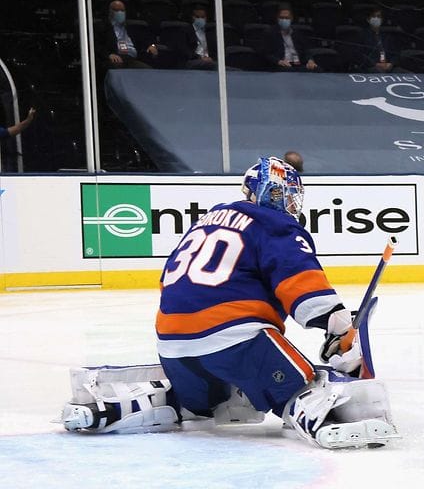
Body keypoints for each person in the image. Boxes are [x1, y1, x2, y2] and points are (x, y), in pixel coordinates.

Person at [61, 157, 399, 449]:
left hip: (172, 343)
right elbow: (300, 281)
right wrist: (336, 323)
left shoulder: (206, 221)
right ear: (272, 193)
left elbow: (169, 282)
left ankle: (121, 406)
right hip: (235, 340)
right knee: (300, 387)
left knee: (203, 404)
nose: (292, 205)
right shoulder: (274, 223)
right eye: (287, 195)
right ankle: (325, 417)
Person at [96, 0, 157, 70]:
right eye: (116, 10)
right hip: (115, 59)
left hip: (131, 59)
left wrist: (152, 45)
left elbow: (146, 39)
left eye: (122, 10)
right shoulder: (102, 27)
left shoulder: (131, 28)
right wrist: (108, 55)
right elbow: (96, 45)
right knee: (116, 67)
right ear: (110, 12)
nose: (120, 13)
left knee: (148, 70)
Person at [262, 6, 318, 71]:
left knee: (317, 69)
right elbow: (266, 53)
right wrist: (278, 61)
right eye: (281, 17)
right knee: (289, 70)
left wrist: (310, 60)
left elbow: (306, 50)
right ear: (277, 18)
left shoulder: (297, 33)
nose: (284, 20)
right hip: (281, 65)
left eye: (286, 18)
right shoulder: (270, 33)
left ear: (291, 19)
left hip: (298, 64)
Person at [359, 8, 400, 74]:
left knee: (407, 74)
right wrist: (375, 64)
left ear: (382, 20)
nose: (376, 18)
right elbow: (361, 54)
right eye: (374, 16)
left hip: (388, 67)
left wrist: (391, 64)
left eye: (379, 17)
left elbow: (396, 53)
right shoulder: (362, 35)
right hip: (371, 67)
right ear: (368, 20)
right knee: (381, 72)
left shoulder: (387, 36)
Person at [177, 6, 217, 70]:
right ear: (192, 17)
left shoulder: (210, 32)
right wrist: (200, 57)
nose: (200, 19)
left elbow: (214, 50)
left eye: (203, 17)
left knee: (221, 66)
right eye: (197, 17)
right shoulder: (185, 31)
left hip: (209, 61)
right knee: (213, 65)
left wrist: (211, 58)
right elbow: (184, 50)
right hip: (192, 61)